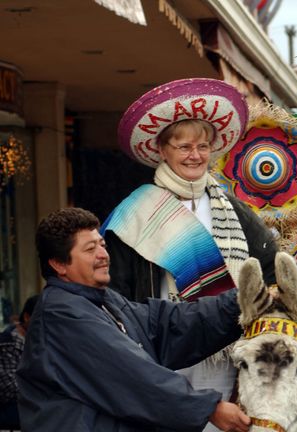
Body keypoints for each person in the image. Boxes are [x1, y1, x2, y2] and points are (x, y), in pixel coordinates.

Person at [102, 79, 278, 427]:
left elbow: (269, 269)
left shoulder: (233, 208)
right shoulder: (135, 212)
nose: (195, 156)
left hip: (229, 349)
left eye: (202, 146)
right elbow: (115, 291)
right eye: (183, 147)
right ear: (162, 150)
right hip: (166, 352)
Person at [17, 207, 251, 431]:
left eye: (102, 245)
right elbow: (131, 374)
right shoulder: (61, 314)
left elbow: (170, 325)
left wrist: (243, 300)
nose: (103, 255)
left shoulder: (105, 300)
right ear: (58, 264)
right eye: (90, 249)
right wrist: (209, 408)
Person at [0, 294, 38, 428]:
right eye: (41, 320)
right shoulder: (7, 344)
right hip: (14, 414)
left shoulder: (43, 341)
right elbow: (8, 389)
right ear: (27, 317)